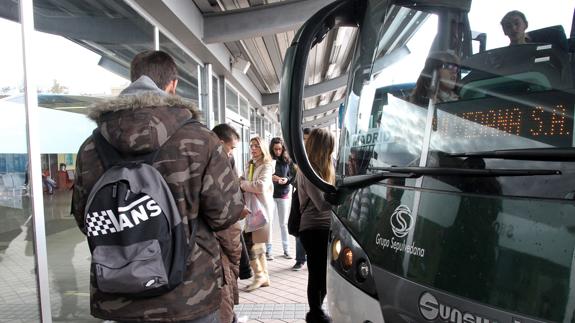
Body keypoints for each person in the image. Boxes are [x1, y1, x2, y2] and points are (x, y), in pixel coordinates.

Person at [71, 50, 244, 323]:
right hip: (190, 295)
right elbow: (226, 215)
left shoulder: (91, 147)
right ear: (172, 85)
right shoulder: (200, 139)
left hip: (121, 298)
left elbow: (86, 219)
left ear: (133, 80)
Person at [212, 123, 250, 323]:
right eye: (232, 147)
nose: (232, 152)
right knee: (224, 284)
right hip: (223, 237)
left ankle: (232, 317)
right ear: (219, 143)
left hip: (227, 234)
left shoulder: (224, 161)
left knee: (227, 284)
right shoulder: (213, 166)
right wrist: (236, 212)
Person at [297, 128, 335, 323]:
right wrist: (341, 198)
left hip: (323, 228)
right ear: (322, 147)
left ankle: (317, 311)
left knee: (322, 273)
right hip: (313, 229)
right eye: (329, 147)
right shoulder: (308, 170)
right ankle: (315, 313)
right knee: (317, 273)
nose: (331, 151)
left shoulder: (323, 167)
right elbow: (321, 204)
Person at [240, 136, 274, 292]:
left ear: (263, 148)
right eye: (251, 146)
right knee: (257, 243)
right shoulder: (250, 164)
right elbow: (245, 179)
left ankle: (259, 276)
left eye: (257, 146)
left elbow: (260, 186)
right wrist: (241, 181)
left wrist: (242, 184)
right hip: (251, 209)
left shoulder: (267, 165)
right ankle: (263, 277)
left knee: (249, 243)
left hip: (261, 210)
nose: (253, 149)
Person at [269, 137, 295, 259]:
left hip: (283, 194)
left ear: (283, 148)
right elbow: (263, 175)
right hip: (270, 194)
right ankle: (268, 251)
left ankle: (286, 250)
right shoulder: (268, 159)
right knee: (269, 222)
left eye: (279, 149)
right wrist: (271, 177)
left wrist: (286, 180)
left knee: (283, 223)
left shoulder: (287, 159)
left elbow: (292, 176)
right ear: (272, 149)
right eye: (275, 149)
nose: (277, 151)